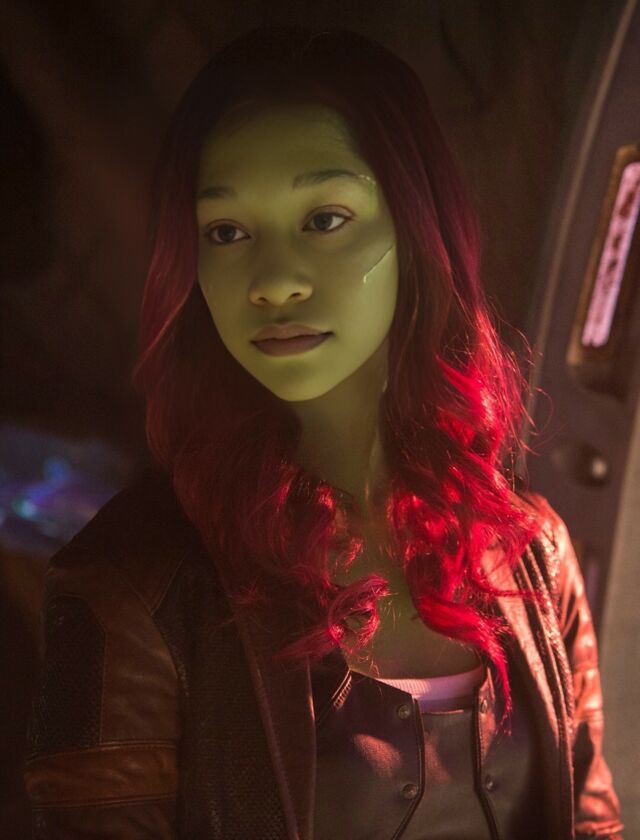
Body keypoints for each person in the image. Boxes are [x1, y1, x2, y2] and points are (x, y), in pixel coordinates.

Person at [23, 24, 623, 839]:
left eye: (325, 218)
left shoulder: (530, 550)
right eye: (226, 232)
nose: (273, 281)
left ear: (416, 231)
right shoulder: (131, 584)